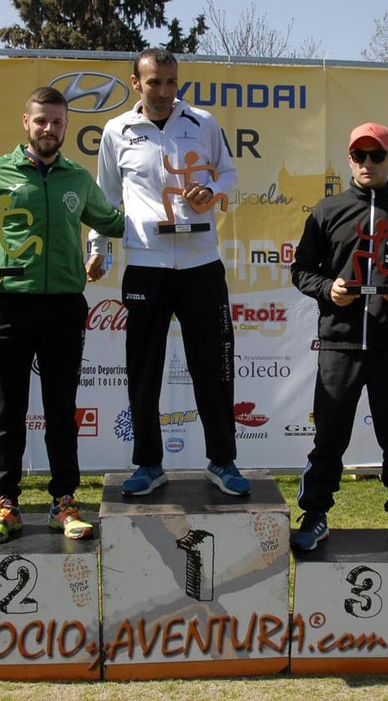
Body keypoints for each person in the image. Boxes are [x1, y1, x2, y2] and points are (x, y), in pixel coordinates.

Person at [0, 85, 126, 544]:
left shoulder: (76, 177)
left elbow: (112, 221)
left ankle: (64, 502)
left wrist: (163, 208)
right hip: (9, 304)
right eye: (41, 121)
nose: (49, 129)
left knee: (60, 413)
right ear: (25, 122)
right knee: (8, 412)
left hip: (63, 307)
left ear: (67, 126)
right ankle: (6, 503)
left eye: (57, 122)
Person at [89, 47, 250, 498]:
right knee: (144, 370)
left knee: (214, 367)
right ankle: (148, 463)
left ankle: (222, 460)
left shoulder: (204, 122)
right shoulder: (116, 130)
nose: (163, 91)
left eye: (171, 82)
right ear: (135, 83)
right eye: (154, 82)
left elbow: (230, 174)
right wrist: (97, 248)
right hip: (145, 265)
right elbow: (105, 199)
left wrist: (212, 190)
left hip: (200, 262)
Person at [289, 123, 388, 555]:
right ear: (349, 159)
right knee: (329, 437)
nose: (368, 163)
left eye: (377, 156)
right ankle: (315, 515)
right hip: (338, 342)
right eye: (360, 156)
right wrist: (327, 289)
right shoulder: (327, 210)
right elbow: (301, 270)